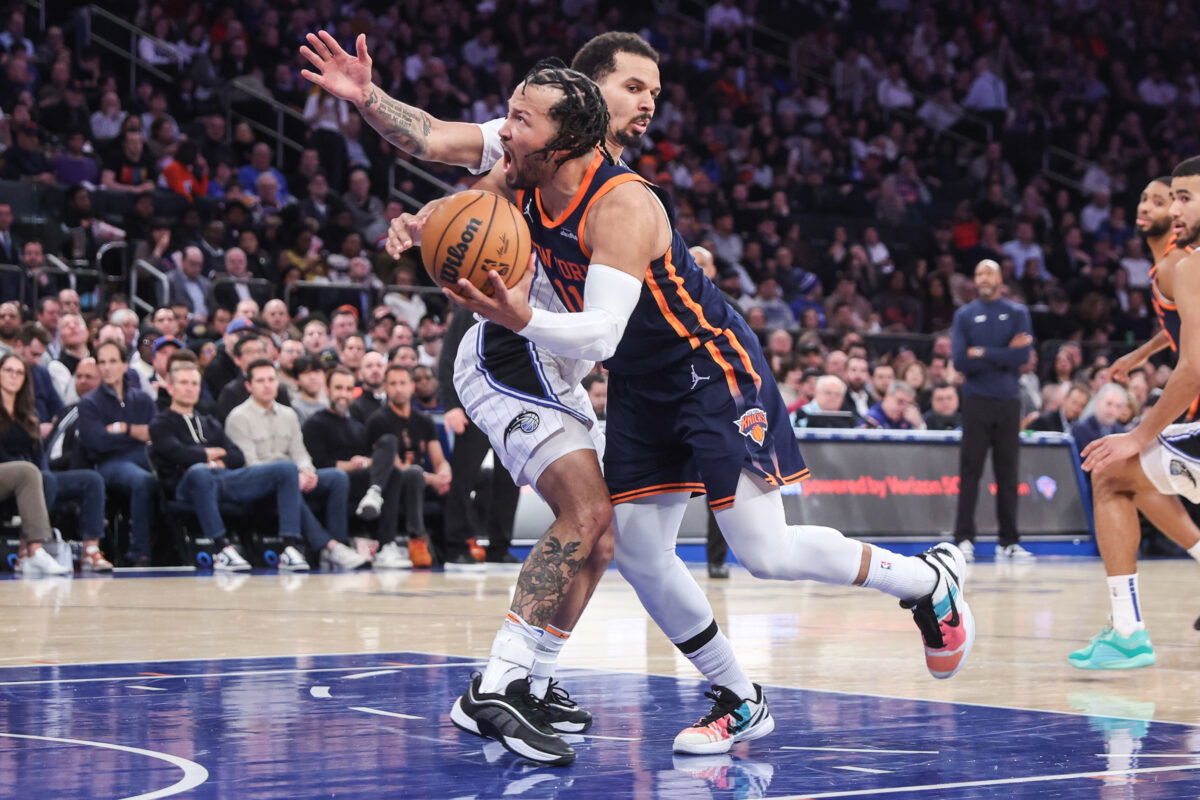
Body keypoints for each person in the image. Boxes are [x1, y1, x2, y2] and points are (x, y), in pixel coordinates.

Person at [373, 55, 971, 766]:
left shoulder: (623, 203)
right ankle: (739, 698)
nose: (505, 129)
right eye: (635, 87)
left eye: (655, 91)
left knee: (766, 553)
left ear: (567, 133)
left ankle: (927, 581)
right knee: (638, 553)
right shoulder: (525, 157)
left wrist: (521, 315)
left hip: (709, 369)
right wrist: (411, 190)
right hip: (639, 384)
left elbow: (601, 334)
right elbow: (437, 146)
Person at [1073, 159, 1200, 669]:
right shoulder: (1179, 266)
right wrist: (1143, 353)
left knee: (1111, 472)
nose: (1170, 208)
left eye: (1182, 198)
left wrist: (1138, 434)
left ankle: (1127, 632)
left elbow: (1192, 366)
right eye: (1169, 198)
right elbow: (1182, 328)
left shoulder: (1183, 263)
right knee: (1134, 480)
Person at [224, 359, 354, 568]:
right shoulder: (238, 417)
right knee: (287, 481)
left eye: (271, 379)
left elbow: (300, 453)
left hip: (293, 476)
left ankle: (339, 543)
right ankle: (328, 547)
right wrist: (292, 476)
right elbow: (250, 465)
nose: (267, 385)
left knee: (337, 477)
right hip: (260, 486)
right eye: (260, 381)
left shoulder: (288, 414)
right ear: (249, 386)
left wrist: (306, 472)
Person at [950, 259, 1034, 562]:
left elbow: (1021, 357)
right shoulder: (964, 315)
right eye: (978, 273)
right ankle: (963, 538)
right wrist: (1004, 352)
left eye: (988, 273)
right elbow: (961, 361)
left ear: (1000, 279)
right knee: (970, 471)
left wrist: (982, 352)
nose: (983, 278)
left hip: (1009, 401)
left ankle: (1008, 541)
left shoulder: (1018, 313)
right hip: (976, 400)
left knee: (1008, 473)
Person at [0, 353, 108, 572]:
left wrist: (42, 473)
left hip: (32, 475)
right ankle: (31, 551)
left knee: (91, 479)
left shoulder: (28, 413)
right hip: (9, 474)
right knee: (34, 475)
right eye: (8, 370)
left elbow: (40, 455)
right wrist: (35, 474)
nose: (13, 376)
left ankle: (90, 551)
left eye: (19, 372)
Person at [437, 308, 520, 570]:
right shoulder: (469, 309)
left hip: (511, 404)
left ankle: (499, 547)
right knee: (464, 477)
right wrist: (451, 405)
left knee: (510, 479)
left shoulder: (519, 305)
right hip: (473, 405)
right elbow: (448, 357)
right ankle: (456, 547)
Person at [302, 366, 408, 568]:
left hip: (359, 482)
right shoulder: (314, 424)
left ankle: (386, 545)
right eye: (338, 388)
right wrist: (351, 465)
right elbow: (317, 464)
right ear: (327, 389)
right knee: (341, 478)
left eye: (348, 389)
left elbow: (370, 458)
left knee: (391, 454)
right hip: (329, 482)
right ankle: (372, 495)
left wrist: (367, 462)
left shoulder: (358, 426)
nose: (344, 394)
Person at [77, 340, 158, 565]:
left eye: (113, 361)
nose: (107, 367)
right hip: (107, 464)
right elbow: (97, 443)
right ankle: (140, 551)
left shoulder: (142, 399)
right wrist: (138, 434)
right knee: (143, 480)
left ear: (125, 365)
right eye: (102, 362)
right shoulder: (89, 403)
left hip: (143, 457)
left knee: (170, 471)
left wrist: (124, 429)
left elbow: (157, 433)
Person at [363, 365, 449, 569]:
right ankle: (417, 539)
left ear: (412, 386)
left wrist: (444, 473)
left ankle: (460, 544)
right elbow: (396, 466)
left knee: (459, 481)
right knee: (412, 474)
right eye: (393, 384)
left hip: (423, 480)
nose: (398, 389)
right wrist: (431, 478)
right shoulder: (378, 420)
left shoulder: (424, 420)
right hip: (394, 482)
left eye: (403, 383)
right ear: (385, 387)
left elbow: (439, 459)